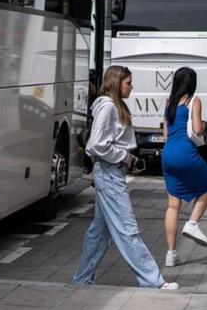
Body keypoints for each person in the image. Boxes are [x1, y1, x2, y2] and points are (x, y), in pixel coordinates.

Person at [73, 65, 178, 290]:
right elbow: (97, 145)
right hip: (110, 174)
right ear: (116, 82)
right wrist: (125, 158)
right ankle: (152, 281)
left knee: (99, 231)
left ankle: (82, 279)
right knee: (127, 229)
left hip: (110, 173)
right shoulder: (109, 107)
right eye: (128, 82)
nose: (132, 87)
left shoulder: (112, 106)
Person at [160, 67, 207, 267]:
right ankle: (192, 223)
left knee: (172, 205)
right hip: (185, 151)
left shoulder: (169, 104)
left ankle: (171, 254)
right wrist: (202, 123)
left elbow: (166, 134)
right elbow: (198, 129)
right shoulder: (194, 101)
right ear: (192, 83)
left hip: (168, 154)